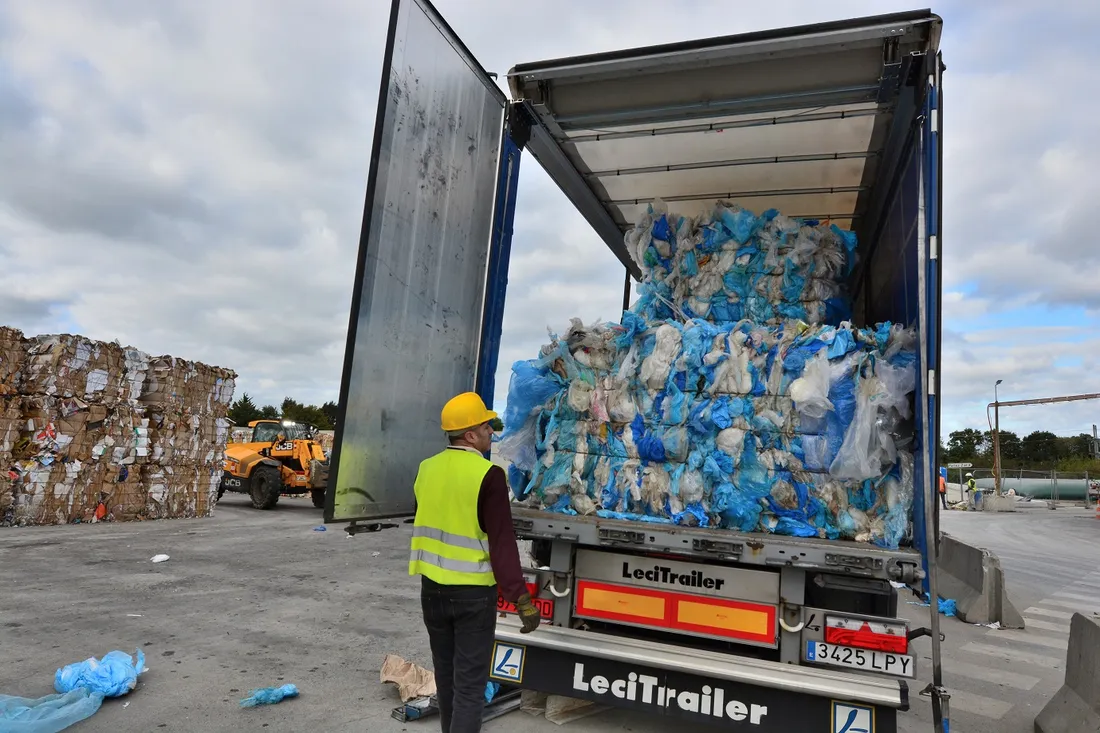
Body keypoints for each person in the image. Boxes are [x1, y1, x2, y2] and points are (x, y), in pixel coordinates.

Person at [409, 391, 541, 733]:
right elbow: (501, 543)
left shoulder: (426, 469)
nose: (490, 433)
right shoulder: (488, 475)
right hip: (471, 597)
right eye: (485, 427)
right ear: (470, 434)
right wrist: (521, 598)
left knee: (447, 678)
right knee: (470, 688)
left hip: (431, 593)